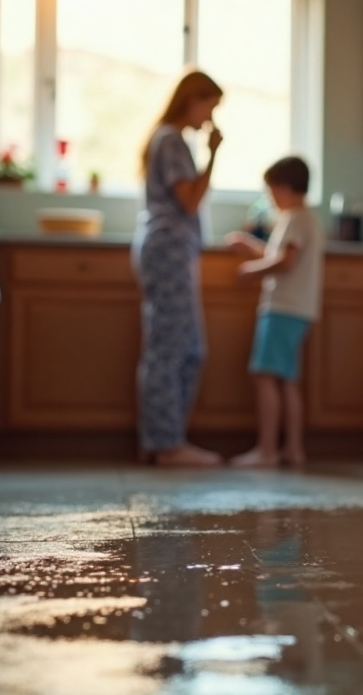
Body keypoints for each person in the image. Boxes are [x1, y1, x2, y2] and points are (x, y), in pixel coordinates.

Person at [133, 70, 225, 467]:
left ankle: (163, 442)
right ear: (193, 99)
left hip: (171, 250)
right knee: (172, 349)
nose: (210, 117)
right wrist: (215, 154)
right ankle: (167, 446)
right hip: (168, 249)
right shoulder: (171, 139)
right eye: (210, 106)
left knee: (183, 348)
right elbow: (188, 200)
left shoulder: (169, 139)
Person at [225, 157, 324, 469]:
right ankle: (293, 450)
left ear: (283, 187)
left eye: (270, 191)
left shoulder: (293, 217)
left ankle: (267, 451)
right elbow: (281, 255)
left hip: (282, 309)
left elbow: (285, 262)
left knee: (265, 377)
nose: (270, 197)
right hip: (299, 310)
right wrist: (252, 246)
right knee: (287, 381)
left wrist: (251, 270)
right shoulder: (306, 218)